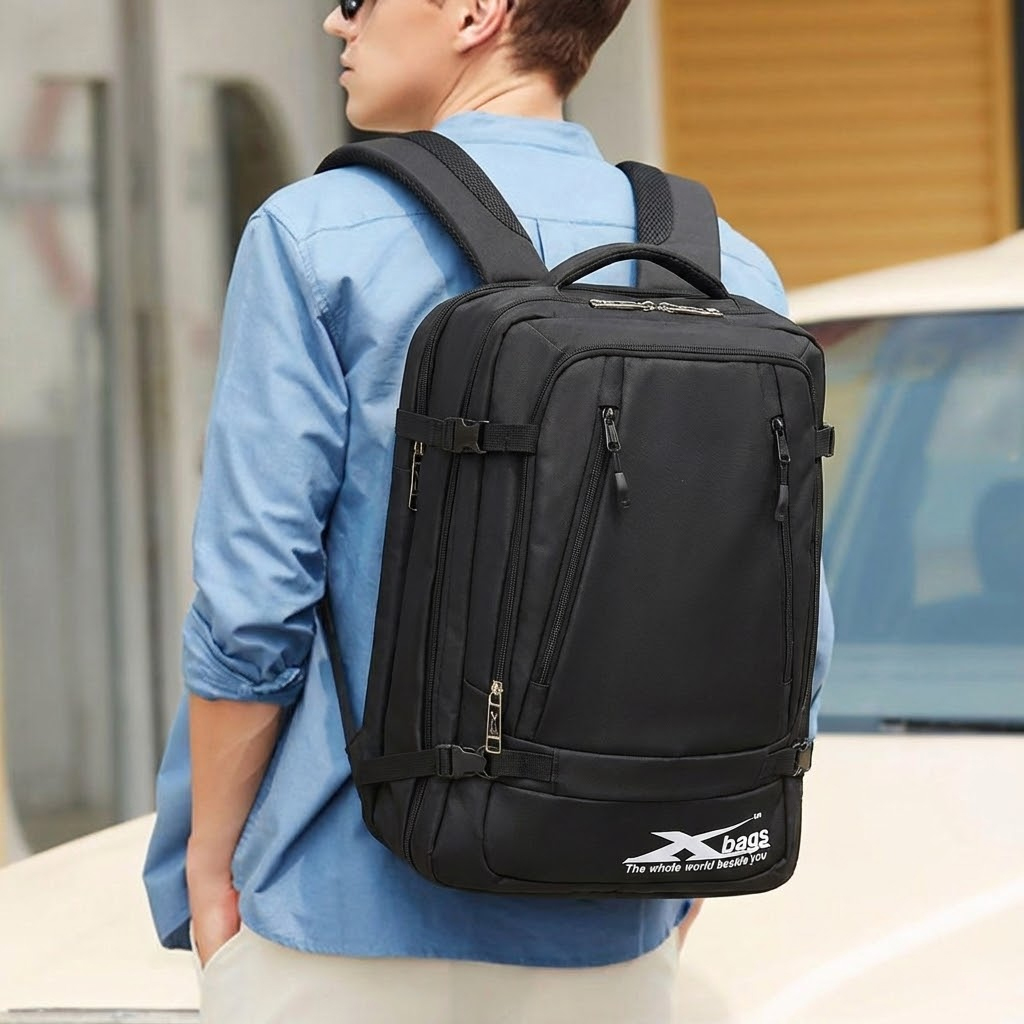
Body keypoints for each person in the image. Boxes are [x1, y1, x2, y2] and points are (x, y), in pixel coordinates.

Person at [143, 2, 835, 1021]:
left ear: (475, 10)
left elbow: (254, 605)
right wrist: (680, 868)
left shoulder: (316, 235)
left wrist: (208, 863)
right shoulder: (725, 265)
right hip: (613, 931)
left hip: (342, 916)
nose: (336, 23)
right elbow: (786, 616)